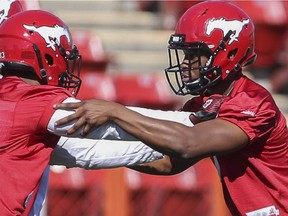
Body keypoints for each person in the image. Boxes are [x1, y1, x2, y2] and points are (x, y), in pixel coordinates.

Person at [54, 1, 288, 215]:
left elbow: (188, 143)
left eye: (194, 54)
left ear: (229, 53)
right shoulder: (204, 103)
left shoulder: (252, 102)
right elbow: (168, 163)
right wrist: (83, 156)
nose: (185, 63)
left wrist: (116, 112)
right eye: (185, 53)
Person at [0, 8, 198, 215]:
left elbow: (86, 153)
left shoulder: (11, 99)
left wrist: (187, 137)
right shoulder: (31, 100)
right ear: (47, 58)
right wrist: (190, 122)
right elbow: (105, 130)